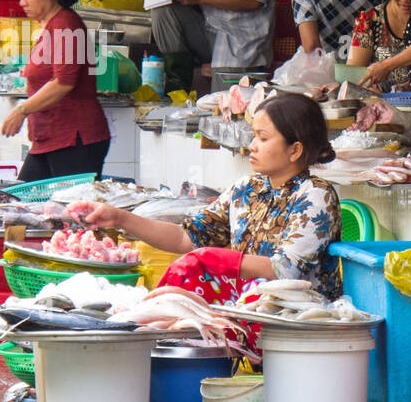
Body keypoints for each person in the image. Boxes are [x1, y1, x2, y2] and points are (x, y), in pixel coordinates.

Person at [69, 93, 342, 303]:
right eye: (253, 136)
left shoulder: (317, 195)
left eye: (263, 137)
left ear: (294, 150)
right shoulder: (246, 189)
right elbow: (184, 238)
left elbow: (286, 270)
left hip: (301, 319)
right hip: (249, 308)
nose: (252, 146)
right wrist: (119, 217)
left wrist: (216, 259)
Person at [0, 0, 110, 182]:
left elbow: (64, 82)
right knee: (21, 204)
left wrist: (21, 111)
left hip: (74, 137)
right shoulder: (50, 25)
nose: (22, 3)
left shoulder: (66, 24)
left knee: (71, 212)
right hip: (50, 138)